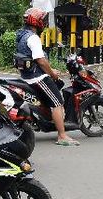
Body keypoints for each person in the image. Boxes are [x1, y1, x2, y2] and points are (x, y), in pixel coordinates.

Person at [14, 7, 79, 146]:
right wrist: (52, 73)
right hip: (37, 78)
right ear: (36, 22)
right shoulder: (33, 38)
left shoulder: (21, 35)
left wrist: (50, 69)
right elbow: (41, 61)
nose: (43, 22)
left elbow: (32, 59)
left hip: (27, 76)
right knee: (57, 102)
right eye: (41, 20)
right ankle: (62, 136)